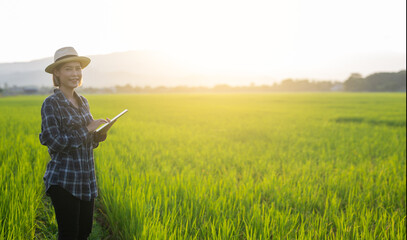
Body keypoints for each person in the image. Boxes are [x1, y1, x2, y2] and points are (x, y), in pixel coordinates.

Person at [39, 47, 110, 240]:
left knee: (84, 233)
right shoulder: (51, 104)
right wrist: (87, 129)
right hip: (64, 181)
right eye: (68, 69)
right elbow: (55, 142)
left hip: (86, 179)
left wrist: (98, 134)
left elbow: (88, 142)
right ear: (57, 73)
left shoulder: (83, 101)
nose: (75, 73)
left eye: (78, 68)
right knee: (69, 235)